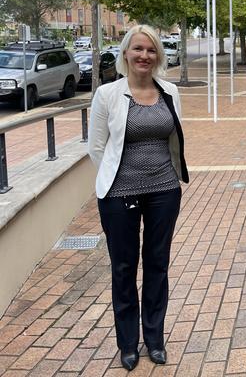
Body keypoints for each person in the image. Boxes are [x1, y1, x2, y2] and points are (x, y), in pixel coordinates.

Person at [88, 25, 189, 371]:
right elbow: (97, 147)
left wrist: (175, 177)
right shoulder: (107, 95)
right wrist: (115, 182)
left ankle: (155, 339)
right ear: (126, 54)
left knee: (158, 265)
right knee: (124, 267)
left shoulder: (170, 92)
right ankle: (128, 343)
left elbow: (174, 138)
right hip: (119, 195)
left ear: (158, 56)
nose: (144, 56)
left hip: (164, 190)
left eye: (150, 50)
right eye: (138, 49)